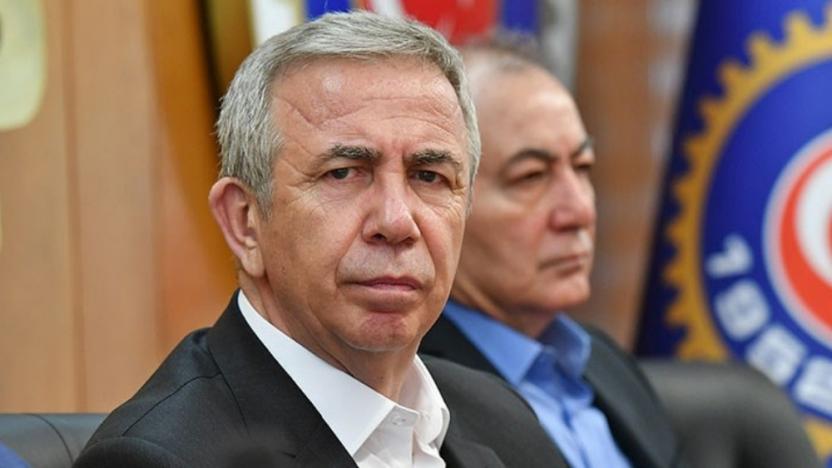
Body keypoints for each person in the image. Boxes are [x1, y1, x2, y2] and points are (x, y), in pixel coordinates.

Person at [75, 12, 563, 468]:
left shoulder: (502, 419)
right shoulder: (157, 458)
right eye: (344, 173)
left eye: (429, 176)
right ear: (245, 222)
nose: (397, 222)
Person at [419, 42, 681, 468]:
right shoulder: (415, 391)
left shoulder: (603, 359)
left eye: (583, 166)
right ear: (441, 197)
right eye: (532, 177)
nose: (578, 212)